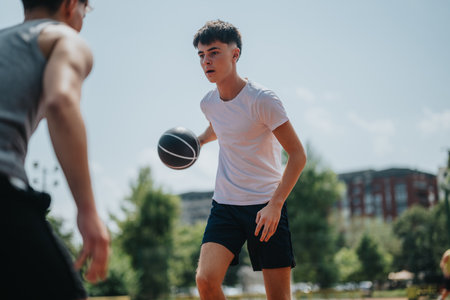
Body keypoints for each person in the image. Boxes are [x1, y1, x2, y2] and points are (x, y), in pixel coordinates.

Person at [0, 1, 110, 299]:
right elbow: (60, 102)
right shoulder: (62, 37)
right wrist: (87, 211)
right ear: (71, 5)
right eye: (85, 12)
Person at [193, 20, 307, 300]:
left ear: (235, 54)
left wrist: (275, 205)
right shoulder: (208, 103)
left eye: (214, 52)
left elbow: (297, 155)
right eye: (201, 55)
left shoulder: (262, 100)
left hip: (265, 207)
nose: (207, 61)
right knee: (206, 281)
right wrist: (196, 142)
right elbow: (220, 128)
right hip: (225, 205)